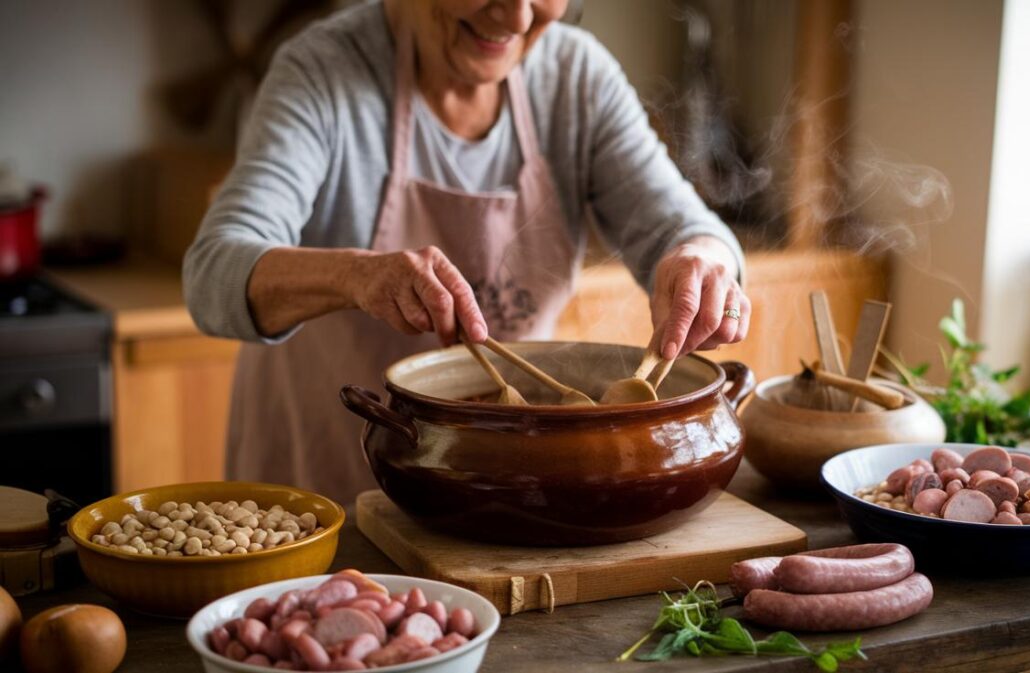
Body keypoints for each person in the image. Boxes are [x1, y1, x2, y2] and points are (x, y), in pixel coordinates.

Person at [183, 0, 751, 504]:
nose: (518, 18)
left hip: (500, 487)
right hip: (325, 485)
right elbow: (213, 274)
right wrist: (357, 275)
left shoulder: (576, 76)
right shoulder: (322, 71)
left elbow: (684, 227)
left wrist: (703, 261)